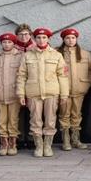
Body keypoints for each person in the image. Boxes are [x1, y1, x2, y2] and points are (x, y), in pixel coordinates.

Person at [16, 27, 70, 157]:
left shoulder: (56, 55)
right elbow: (21, 76)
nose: (41, 40)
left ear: (48, 39)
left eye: (44, 37)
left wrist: (64, 94)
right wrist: (20, 93)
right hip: (33, 92)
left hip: (52, 92)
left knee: (50, 120)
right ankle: (39, 146)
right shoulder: (27, 55)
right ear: (34, 39)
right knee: (35, 120)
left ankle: (48, 145)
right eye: (38, 37)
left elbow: (62, 76)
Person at [57, 28, 91, 151]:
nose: (70, 40)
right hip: (64, 91)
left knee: (76, 114)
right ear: (63, 39)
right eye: (67, 38)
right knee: (64, 114)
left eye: (73, 38)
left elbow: (90, 72)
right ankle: (66, 140)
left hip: (79, 90)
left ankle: (76, 139)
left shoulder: (85, 54)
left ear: (76, 39)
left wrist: (86, 85)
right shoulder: (57, 53)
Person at [0, 33, 23, 156]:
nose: (7, 44)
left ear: (14, 44)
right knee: (1, 119)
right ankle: (3, 143)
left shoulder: (20, 57)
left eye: (9, 42)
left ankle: (13, 143)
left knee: (13, 119)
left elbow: (23, 76)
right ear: (1, 43)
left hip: (14, 93)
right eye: (4, 42)